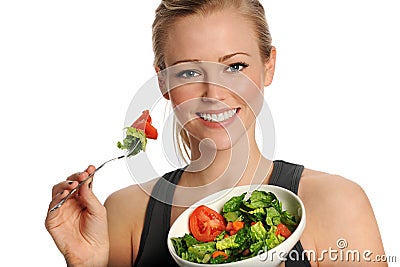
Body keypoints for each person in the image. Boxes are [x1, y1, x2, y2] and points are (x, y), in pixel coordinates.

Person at [45, 1, 387, 266]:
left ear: (269, 66)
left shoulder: (336, 203)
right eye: (189, 71)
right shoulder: (123, 212)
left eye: (235, 66)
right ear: (163, 82)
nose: (214, 92)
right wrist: (87, 263)